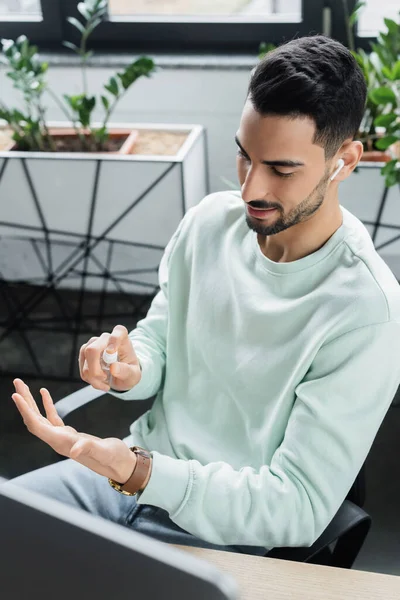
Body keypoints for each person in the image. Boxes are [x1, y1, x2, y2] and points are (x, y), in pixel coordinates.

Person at [6, 35, 400, 557]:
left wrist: (143, 473)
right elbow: (161, 340)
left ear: (344, 161)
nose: (249, 190)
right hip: (118, 476)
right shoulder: (209, 223)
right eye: (244, 157)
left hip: (219, 531)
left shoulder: (367, 312)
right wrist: (131, 365)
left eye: (281, 170)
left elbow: (299, 507)